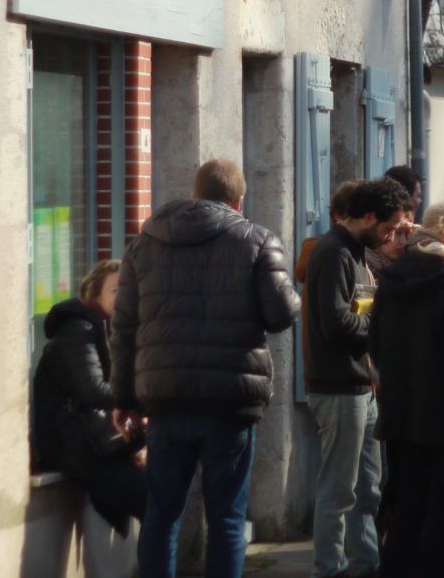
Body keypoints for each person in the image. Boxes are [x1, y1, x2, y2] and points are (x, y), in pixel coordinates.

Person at [110, 158, 301, 578]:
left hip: (165, 398)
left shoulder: (143, 244)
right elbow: (281, 315)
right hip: (230, 399)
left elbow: (123, 329)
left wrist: (122, 398)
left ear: (194, 195)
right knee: (227, 519)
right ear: (239, 200)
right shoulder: (256, 239)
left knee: (161, 514)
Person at [369, 199, 444, 578]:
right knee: (443, 511)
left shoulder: (390, 277)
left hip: (402, 410)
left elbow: (374, 343)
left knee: (407, 506)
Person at [304, 177, 411, 578]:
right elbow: (336, 322)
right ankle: (329, 568)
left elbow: (357, 313)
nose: (391, 234)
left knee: (369, 486)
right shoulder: (334, 253)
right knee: (339, 488)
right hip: (339, 387)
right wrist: (383, 329)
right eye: (389, 226)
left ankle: (367, 563)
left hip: (361, 388)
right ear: (368, 216)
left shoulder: (357, 252)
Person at [33, 259, 147, 537]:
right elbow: (93, 391)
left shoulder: (94, 326)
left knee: (157, 492)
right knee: (153, 502)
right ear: (93, 290)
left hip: (87, 441)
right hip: (72, 446)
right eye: (115, 289)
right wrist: (138, 402)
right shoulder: (78, 329)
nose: (122, 297)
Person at [295, 181, 362, 394]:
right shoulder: (332, 253)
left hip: (347, 375)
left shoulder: (352, 251)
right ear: (337, 215)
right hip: (336, 377)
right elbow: (336, 321)